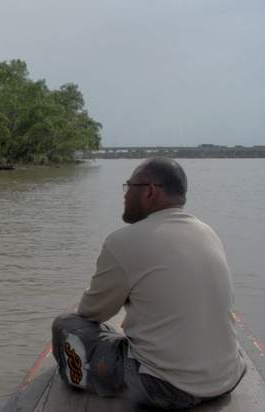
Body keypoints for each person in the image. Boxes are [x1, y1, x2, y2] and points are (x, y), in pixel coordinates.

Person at [52, 157, 246, 409]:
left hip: (166, 389)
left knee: (67, 324)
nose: (124, 195)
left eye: (128, 186)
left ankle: (79, 378)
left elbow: (91, 313)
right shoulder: (208, 231)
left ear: (150, 191)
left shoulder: (123, 241)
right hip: (228, 378)